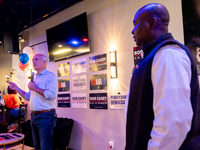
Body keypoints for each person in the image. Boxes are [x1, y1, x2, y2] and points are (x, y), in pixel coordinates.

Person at [125, 3, 200, 150]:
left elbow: (172, 123)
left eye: (135, 24)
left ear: (152, 23)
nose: (132, 31)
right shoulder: (154, 56)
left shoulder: (168, 55)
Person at [9, 54, 58, 150]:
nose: (33, 61)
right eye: (33, 60)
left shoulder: (50, 76)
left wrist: (35, 88)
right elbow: (28, 97)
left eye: (36, 59)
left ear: (44, 62)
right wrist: (16, 88)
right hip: (34, 116)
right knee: (36, 146)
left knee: (45, 147)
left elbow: (52, 95)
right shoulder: (35, 78)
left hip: (46, 116)